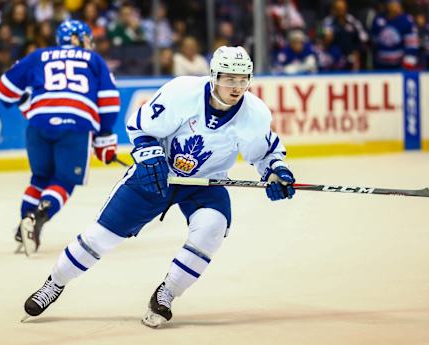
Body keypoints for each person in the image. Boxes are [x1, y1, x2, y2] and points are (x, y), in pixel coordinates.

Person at [21, 46, 296, 328]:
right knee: (99, 238)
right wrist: (150, 156)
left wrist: (276, 172)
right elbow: (140, 127)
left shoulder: (254, 113)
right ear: (214, 75)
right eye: (229, 79)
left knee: (212, 228)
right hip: (157, 176)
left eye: (242, 79)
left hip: (205, 183)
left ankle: (166, 294)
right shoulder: (182, 93)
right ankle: (54, 284)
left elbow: (264, 153)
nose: (236, 87)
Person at [0, 19, 121, 256]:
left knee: (40, 178)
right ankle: (38, 217)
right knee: (64, 180)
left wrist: (29, 106)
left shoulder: (38, 55)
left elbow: (4, 89)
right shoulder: (94, 60)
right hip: (75, 124)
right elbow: (108, 99)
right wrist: (105, 136)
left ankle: (25, 224)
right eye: (86, 38)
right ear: (77, 39)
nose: (89, 43)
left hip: (38, 125)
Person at [370, 0, 419, 70]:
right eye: (392, 3)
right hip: (380, 64)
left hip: (399, 65)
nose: (395, 7)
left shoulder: (407, 20)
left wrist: (408, 63)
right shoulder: (378, 19)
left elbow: (412, 44)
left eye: (397, 4)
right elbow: (374, 40)